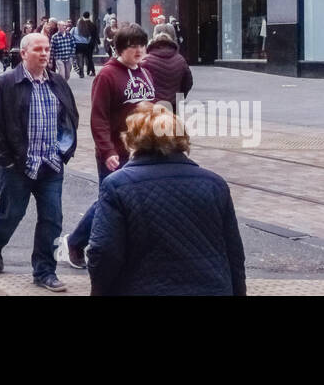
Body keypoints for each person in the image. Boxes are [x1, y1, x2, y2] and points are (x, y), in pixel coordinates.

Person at [87, 102, 246, 295]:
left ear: (132, 140)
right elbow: (234, 254)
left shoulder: (118, 186)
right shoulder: (214, 184)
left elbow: (104, 252)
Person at [0, 32, 78, 292]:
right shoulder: (6, 84)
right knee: (11, 214)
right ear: (24, 53)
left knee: (52, 218)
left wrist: (64, 150)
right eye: (38, 49)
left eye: (47, 49)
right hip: (18, 166)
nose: (44, 53)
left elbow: (70, 117)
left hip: (51, 165)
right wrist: (6, 161)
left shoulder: (57, 82)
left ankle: (45, 271)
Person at [63, 22, 154, 267]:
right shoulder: (107, 75)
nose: (138, 50)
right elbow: (99, 117)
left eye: (142, 45)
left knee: (136, 201)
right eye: (132, 46)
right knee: (110, 201)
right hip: (116, 152)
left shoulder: (144, 72)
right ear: (119, 47)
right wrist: (107, 150)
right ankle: (75, 241)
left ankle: (125, 250)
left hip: (143, 150)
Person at [140, 21, 193, 111]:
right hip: (173, 107)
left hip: (152, 107)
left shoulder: (146, 61)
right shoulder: (180, 60)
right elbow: (188, 83)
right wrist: (179, 98)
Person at [75, 11, 97, 78]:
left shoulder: (81, 25)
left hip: (83, 44)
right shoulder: (92, 24)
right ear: (89, 16)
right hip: (91, 43)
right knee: (89, 58)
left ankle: (86, 71)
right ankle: (91, 71)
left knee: (83, 58)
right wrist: (97, 43)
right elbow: (95, 34)